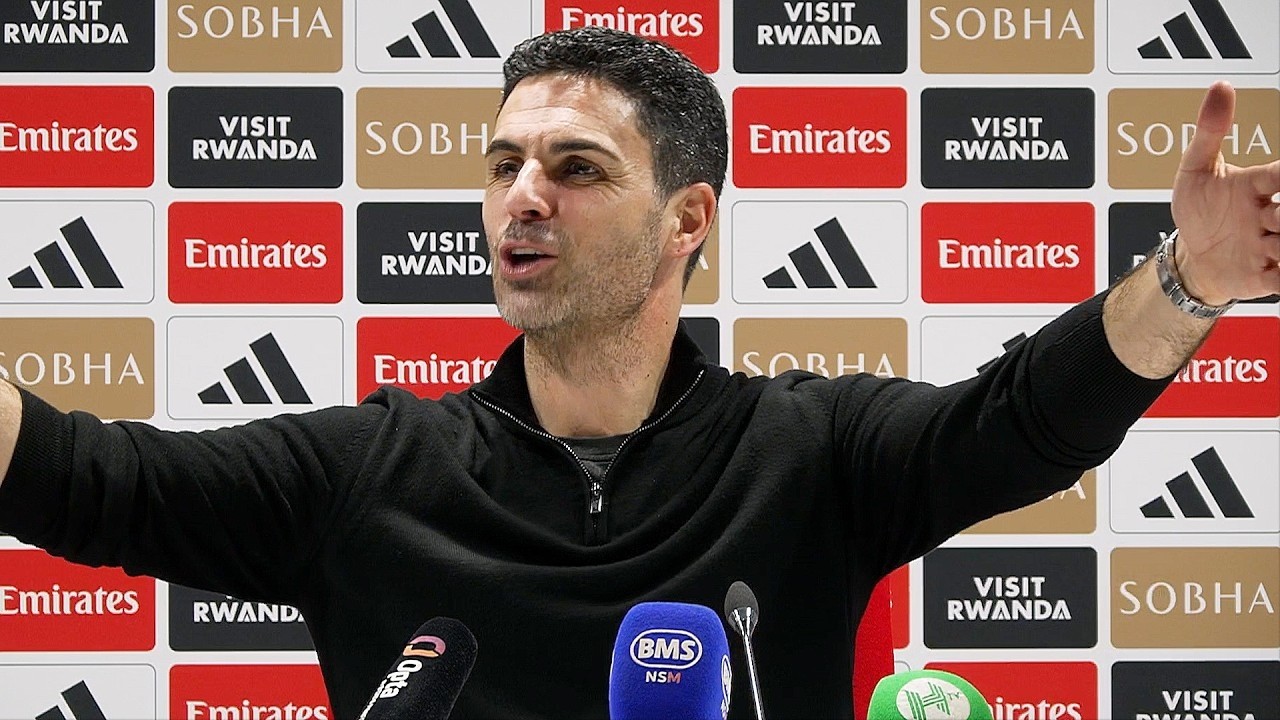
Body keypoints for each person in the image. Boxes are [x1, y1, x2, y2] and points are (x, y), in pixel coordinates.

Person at [1, 26, 1277, 719]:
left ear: (686, 219)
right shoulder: (363, 472)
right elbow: (79, 477)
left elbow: (1021, 421)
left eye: (575, 168)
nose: (521, 198)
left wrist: (1188, 279)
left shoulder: (812, 450)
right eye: (503, 165)